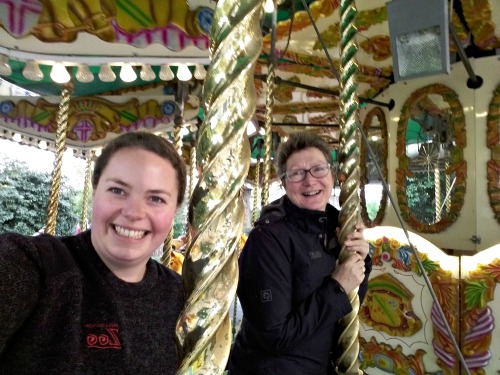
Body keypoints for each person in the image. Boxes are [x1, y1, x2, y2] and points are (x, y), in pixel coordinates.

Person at [0, 132, 187, 374]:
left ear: (176, 209)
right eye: (118, 190)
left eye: (156, 198)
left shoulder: (178, 295)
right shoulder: (33, 266)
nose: (133, 212)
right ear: (95, 190)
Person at [227, 132, 372, 375]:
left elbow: (348, 306)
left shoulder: (336, 226)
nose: (309, 181)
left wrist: (361, 260)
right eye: (296, 173)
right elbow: (274, 335)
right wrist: (337, 285)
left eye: (318, 169)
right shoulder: (268, 240)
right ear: (283, 183)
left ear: (332, 174)